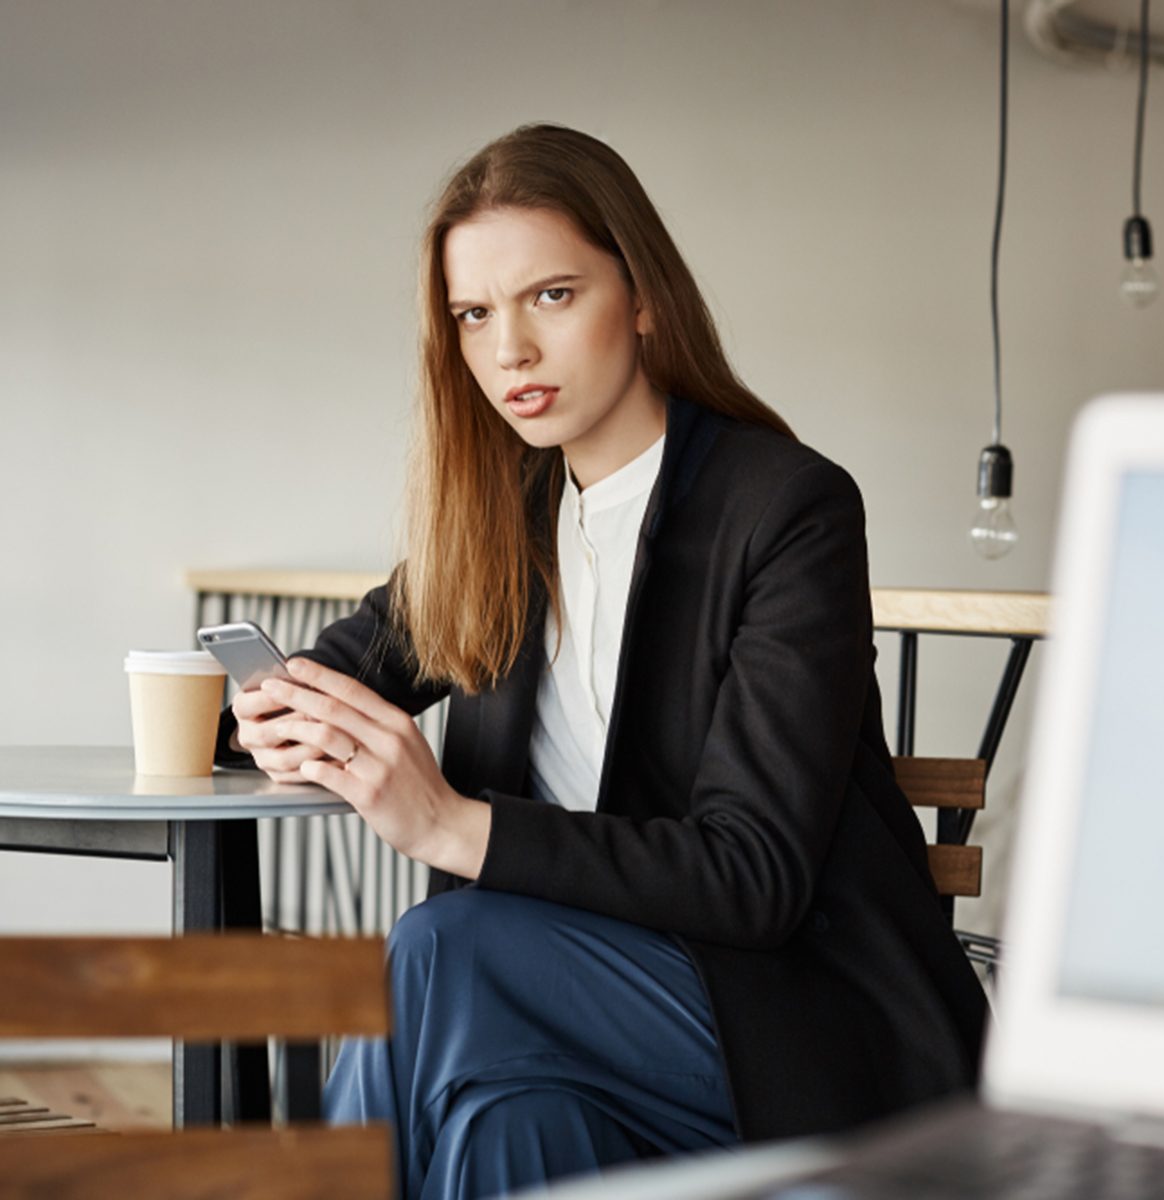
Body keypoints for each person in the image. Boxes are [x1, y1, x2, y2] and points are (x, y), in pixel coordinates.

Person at [220, 123, 987, 1199]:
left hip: (789, 1020)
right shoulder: (501, 521)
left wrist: (450, 824)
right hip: (550, 1025)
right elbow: (335, 667)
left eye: (551, 297)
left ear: (644, 296)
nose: (510, 354)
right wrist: (262, 711)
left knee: (440, 950)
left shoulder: (785, 510)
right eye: (474, 316)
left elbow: (753, 878)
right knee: (505, 1125)